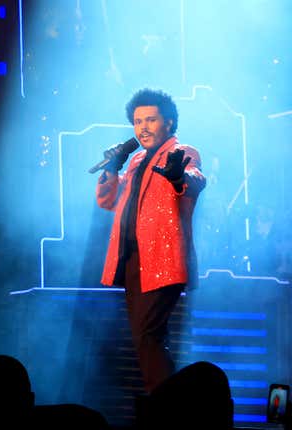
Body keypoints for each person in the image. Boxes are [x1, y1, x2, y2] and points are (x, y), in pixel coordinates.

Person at [96, 88, 206, 393]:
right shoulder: (134, 162)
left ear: (169, 123)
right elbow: (107, 201)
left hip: (163, 260)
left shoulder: (181, 153)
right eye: (137, 121)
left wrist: (177, 177)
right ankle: (164, 401)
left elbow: (195, 180)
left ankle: (163, 407)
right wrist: (111, 167)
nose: (142, 127)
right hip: (133, 259)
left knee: (147, 336)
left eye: (151, 119)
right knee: (146, 339)